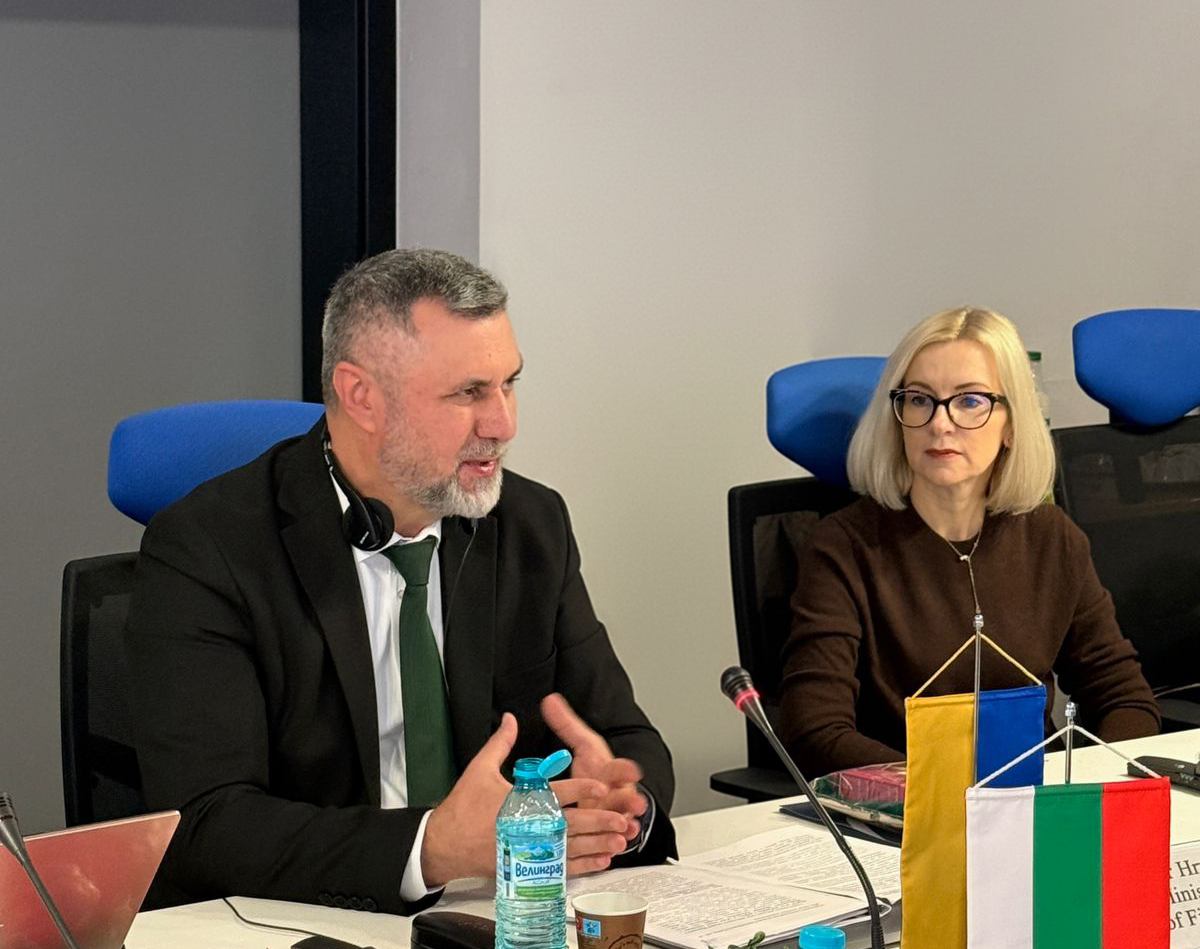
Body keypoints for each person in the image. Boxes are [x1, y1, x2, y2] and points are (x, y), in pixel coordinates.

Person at [126, 249, 675, 912]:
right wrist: (429, 849)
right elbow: (206, 822)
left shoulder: (531, 523)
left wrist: (622, 803)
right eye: (467, 393)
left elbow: (625, 740)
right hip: (302, 928)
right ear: (361, 397)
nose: (503, 424)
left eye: (509, 384)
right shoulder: (208, 548)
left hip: (497, 913)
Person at [777, 307, 1160, 778]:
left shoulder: (1052, 537)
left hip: (1031, 803)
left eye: (970, 401)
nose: (940, 423)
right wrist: (941, 794)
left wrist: (1087, 788)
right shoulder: (844, 546)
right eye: (919, 399)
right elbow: (814, 729)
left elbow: (1124, 699)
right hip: (901, 808)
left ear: (1011, 424)